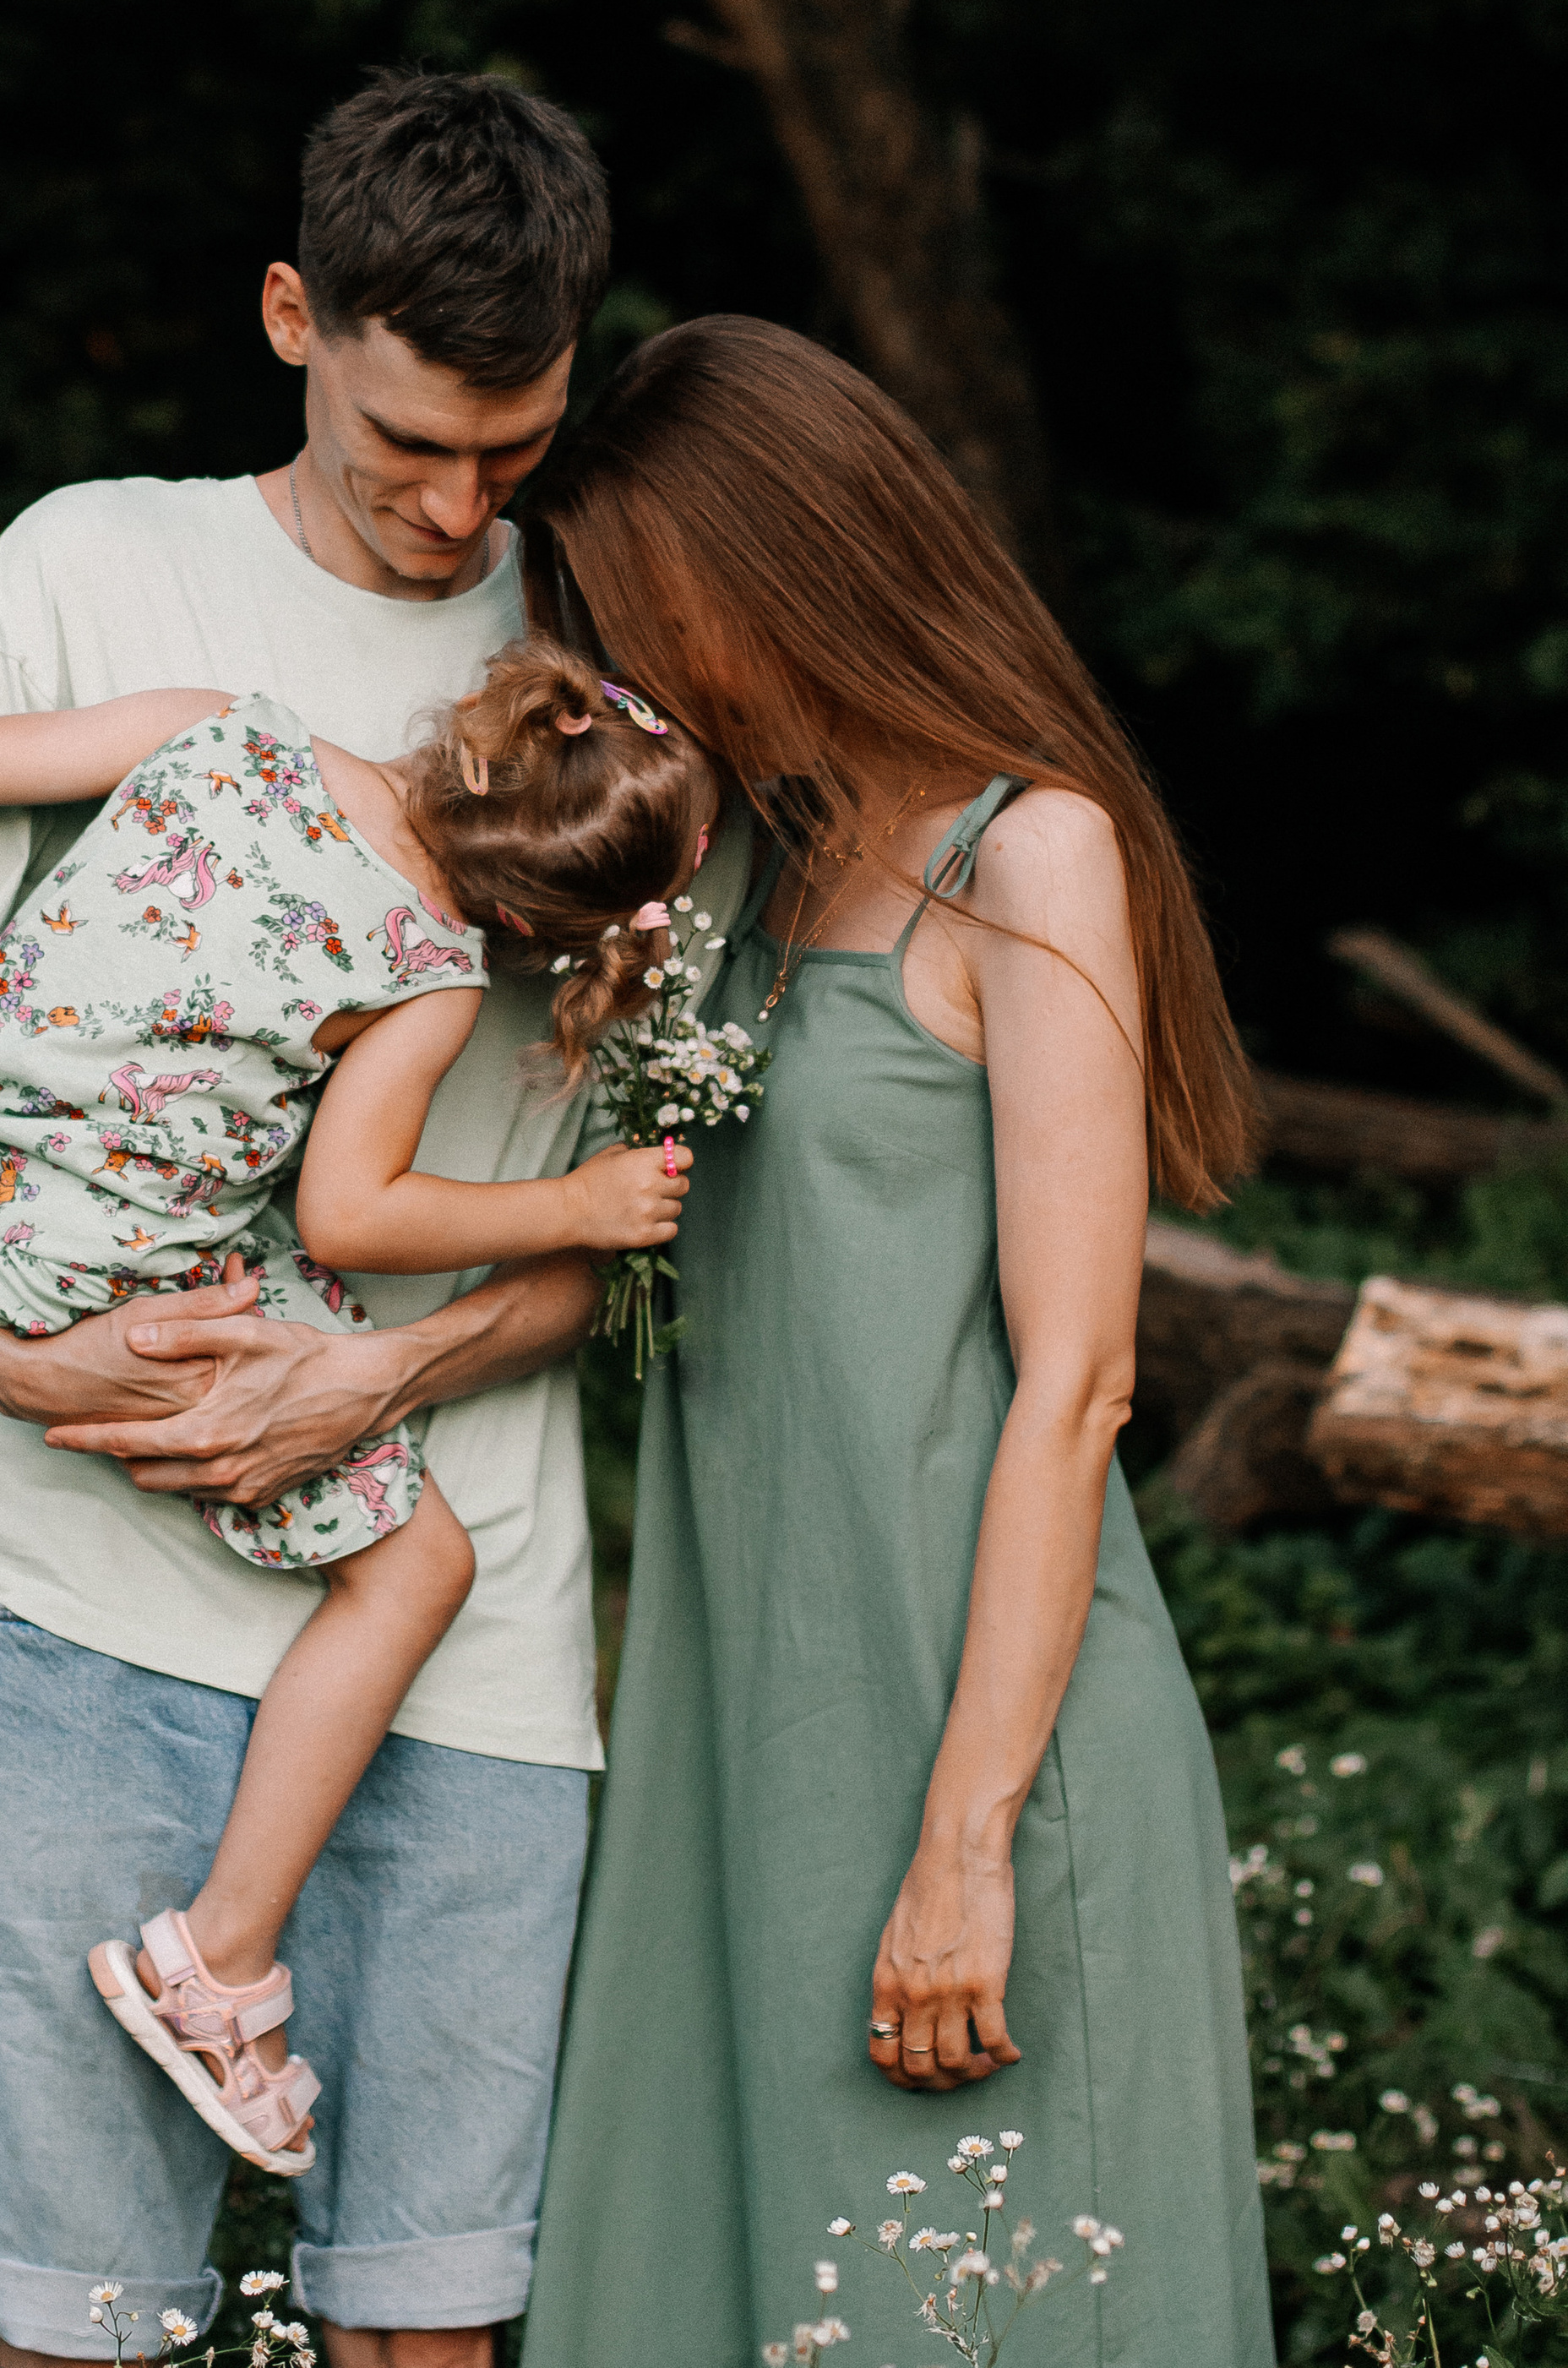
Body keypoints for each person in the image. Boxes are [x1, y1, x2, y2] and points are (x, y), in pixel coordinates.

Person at [0, 68, 753, 2368]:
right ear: (294, 315)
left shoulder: (631, 643)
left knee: (430, 2330)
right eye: (410, 438)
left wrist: (375, 1368)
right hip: (73, 1597)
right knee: (81, 2330)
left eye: (513, 446)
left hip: (460, 1628)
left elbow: (665, 1189)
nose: (456, 503)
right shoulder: (99, 574)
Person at [519, 317, 1276, 2368]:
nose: (644, 669)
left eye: (662, 615)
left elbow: (1078, 1383)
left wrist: (961, 1851)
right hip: (741, 1719)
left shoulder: (1026, 856)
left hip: (971, 1736)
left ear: (794, 566)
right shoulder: (738, 866)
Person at [0, 647, 710, 2182]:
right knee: (421, 1571)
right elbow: (354, 1215)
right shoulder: (430, 972)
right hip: (116, 1275)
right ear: (529, 926)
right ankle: (218, 1965)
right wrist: (573, 1197)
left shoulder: (224, 728)